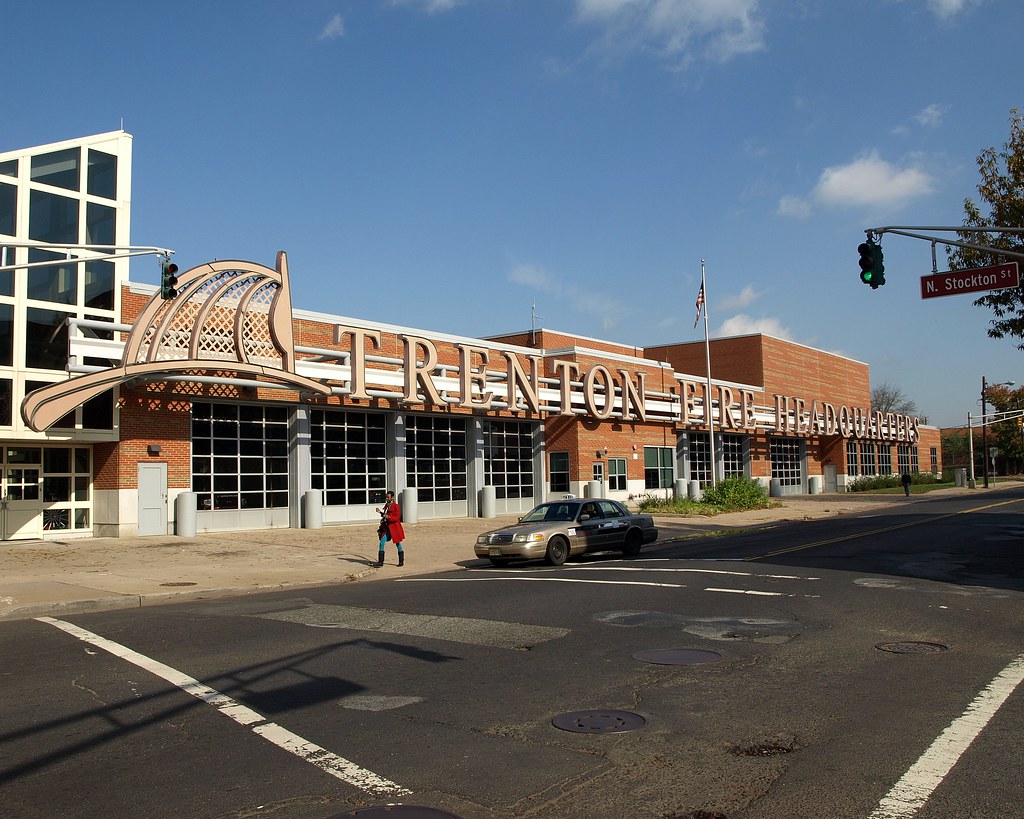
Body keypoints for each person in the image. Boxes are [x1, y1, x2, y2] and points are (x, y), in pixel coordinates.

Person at [374, 490, 406, 567]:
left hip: (394, 528)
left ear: (392, 497)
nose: (387, 499)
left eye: (388, 497)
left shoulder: (396, 506)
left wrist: (388, 517)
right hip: (387, 528)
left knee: (397, 543)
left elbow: (397, 518)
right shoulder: (387, 505)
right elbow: (385, 515)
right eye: (386, 497)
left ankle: (401, 561)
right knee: (382, 543)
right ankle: (380, 562)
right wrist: (380, 512)